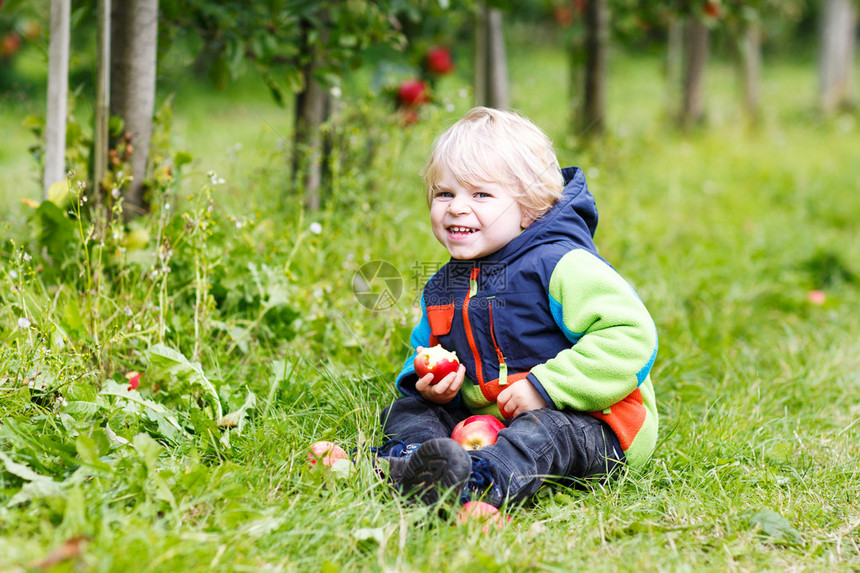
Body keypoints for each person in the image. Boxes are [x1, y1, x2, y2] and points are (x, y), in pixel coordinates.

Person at [378, 106, 658, 509]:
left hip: (592, 420)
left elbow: (631, 337)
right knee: (409, 408)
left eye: (481, 194)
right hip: (490, 421)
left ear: (528, 208)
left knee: (543, 433)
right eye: (445, 193)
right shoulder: (442, 287)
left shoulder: (561, 265)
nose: (456, 207)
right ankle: (412, 463)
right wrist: (431, 385)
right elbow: (424, 348)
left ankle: (478, 481)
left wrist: (547, 387)